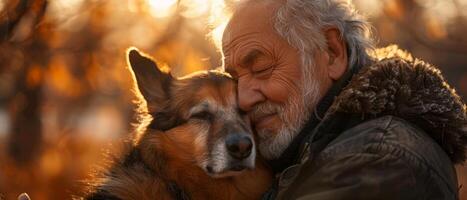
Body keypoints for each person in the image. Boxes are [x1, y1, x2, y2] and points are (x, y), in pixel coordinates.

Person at [221, 0, 467, 199]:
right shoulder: (318, 148)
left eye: (261, 67)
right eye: (234, 79)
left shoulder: (377, 160)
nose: (243, 100)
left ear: (331, 52)